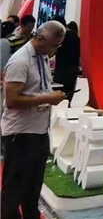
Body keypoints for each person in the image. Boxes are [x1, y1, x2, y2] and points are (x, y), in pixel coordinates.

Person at [1, 21, 67, 219]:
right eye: (53, 45)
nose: (55, 50)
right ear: (40, 39)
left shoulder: (42, 57)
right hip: (20, 134)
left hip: (38, 131)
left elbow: (38, 89)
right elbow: (12, 100)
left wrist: (50, 96)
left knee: (32, 187)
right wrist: (47, 99)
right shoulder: (20, 61)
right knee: (14, 189)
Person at [51, 17, 81, 102]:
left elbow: (53, 51)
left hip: (62, 71)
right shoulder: (76, 37)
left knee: (58, 96)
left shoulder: (62, 37)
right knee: (68, 96)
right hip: (73, 70)